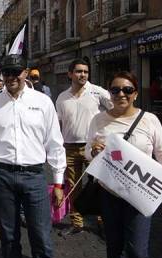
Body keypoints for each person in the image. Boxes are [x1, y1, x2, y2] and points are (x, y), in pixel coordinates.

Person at [85, 71, 162, 258]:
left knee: (138, 253)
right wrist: (93, 151)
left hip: (140, 196)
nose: (121, 94)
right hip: (109, 195)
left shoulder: (149, 120)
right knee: (114, 249)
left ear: (135, 93)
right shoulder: (98, 120)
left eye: (127, 90)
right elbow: (88, 153)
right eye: (115, 90)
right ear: (109, 93)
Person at [0, 54, 66, 258]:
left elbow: (55, 143)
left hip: (35, 177)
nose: (11, 77)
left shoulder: (42, 102)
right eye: (6, 72)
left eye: (16, 72)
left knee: (41, 236)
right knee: (9, 237)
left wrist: (58, 183)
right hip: (3, 176)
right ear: (1, 75)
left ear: (25, 72)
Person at [55, 58, 112, 235]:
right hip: (70, 149)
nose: (83, 75)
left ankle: (103, 222)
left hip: (94, 148)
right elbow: (58, 125)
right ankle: (77, 223)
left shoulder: (97, 92)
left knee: (101, 186)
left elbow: (116, 109)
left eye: (86, 72)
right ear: (70, 74)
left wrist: (106, 133)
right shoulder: (62, 98)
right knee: (73, 188)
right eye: (79, 71)